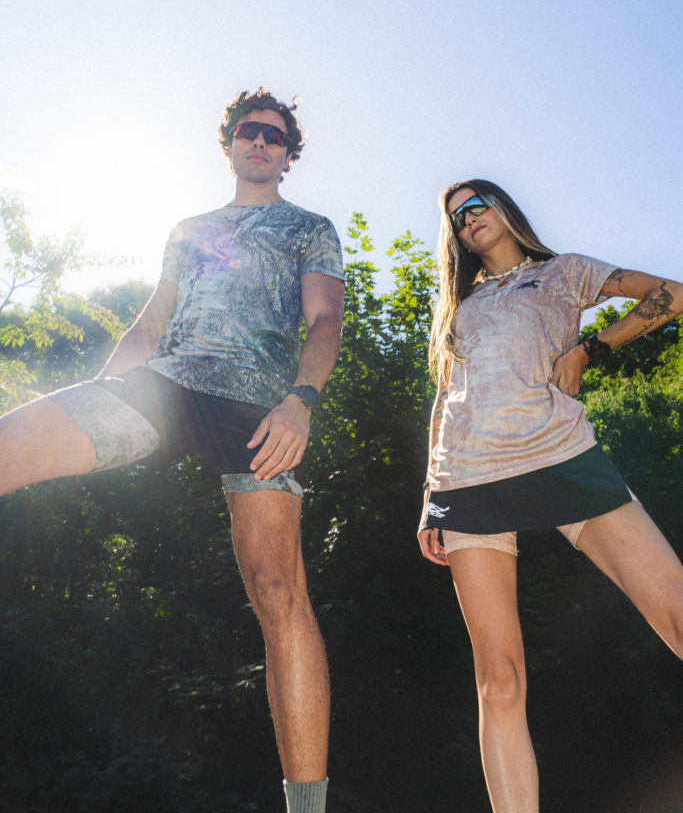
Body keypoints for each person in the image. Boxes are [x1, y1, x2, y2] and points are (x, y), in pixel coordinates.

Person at [0, 88, 345, 813]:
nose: (260, 141)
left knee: (278, 593)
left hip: (257, 410)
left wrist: (300, 402)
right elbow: (152, 321)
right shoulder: (189, 230)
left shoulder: (308, 228)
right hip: (167, 385)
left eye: (274, 135)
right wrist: (106, 388)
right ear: (229, 144)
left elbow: (324, 320)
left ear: (288, 154)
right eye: (248, 131)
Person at [417, 178, 683, 813]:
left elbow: (672, 293)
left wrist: (591, 348)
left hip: (560, 456)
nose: (467, 220)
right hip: (468, 479)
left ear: (504, 208)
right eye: (456, 218)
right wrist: (431, 493)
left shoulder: (563, 272)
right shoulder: (458, 304)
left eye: (476, 206)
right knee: (500, 681)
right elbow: (447, 398)